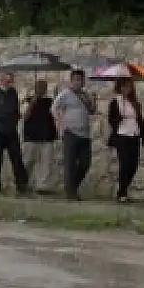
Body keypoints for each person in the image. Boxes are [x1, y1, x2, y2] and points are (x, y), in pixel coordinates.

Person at [0, 71, 29, 194]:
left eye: (11, 81)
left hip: (11, 130)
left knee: (17, 158)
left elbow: (15, 109)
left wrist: (17, 116)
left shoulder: (13, 93)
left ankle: (21, 184)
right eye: (7, 81)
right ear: (1, 80)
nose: (9, 83)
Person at [53, 68, 97, 201]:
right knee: (70, 163)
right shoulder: (65, 93)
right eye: (76, 79)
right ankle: (71, 193)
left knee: (85, 162)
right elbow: (54, 108)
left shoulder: (84, 95)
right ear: (71, 80)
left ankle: (73, 186)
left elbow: (92, 111)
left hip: (84, 134)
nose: (79, 82)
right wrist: (61, 123)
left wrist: (94, 100)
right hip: (71, 132)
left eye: (81, 80)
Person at [105, 78, 144, 203]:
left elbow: (140, 121)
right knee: (125, 164)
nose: (126, 89)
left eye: (129, 87)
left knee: (133, 165)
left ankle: (123, 189)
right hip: (121, 136)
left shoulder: (135, 103)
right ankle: (121, 193)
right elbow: (111, 119)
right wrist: (119, 118)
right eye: (124, 87)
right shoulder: (115, 101)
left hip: (134, 135)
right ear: (119, 87)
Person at [22, 80, 58, 194]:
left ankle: (42, 186)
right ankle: (22, 182)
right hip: (31, 136)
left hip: (47, 136)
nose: (42, 89)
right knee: (28, 161)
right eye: (39, 87)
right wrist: (32, 103)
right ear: (35, 88)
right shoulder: (28, 100)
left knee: (46, 163)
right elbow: (24, 117)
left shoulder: (50, 101)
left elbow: (56, 113)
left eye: (44, 87)